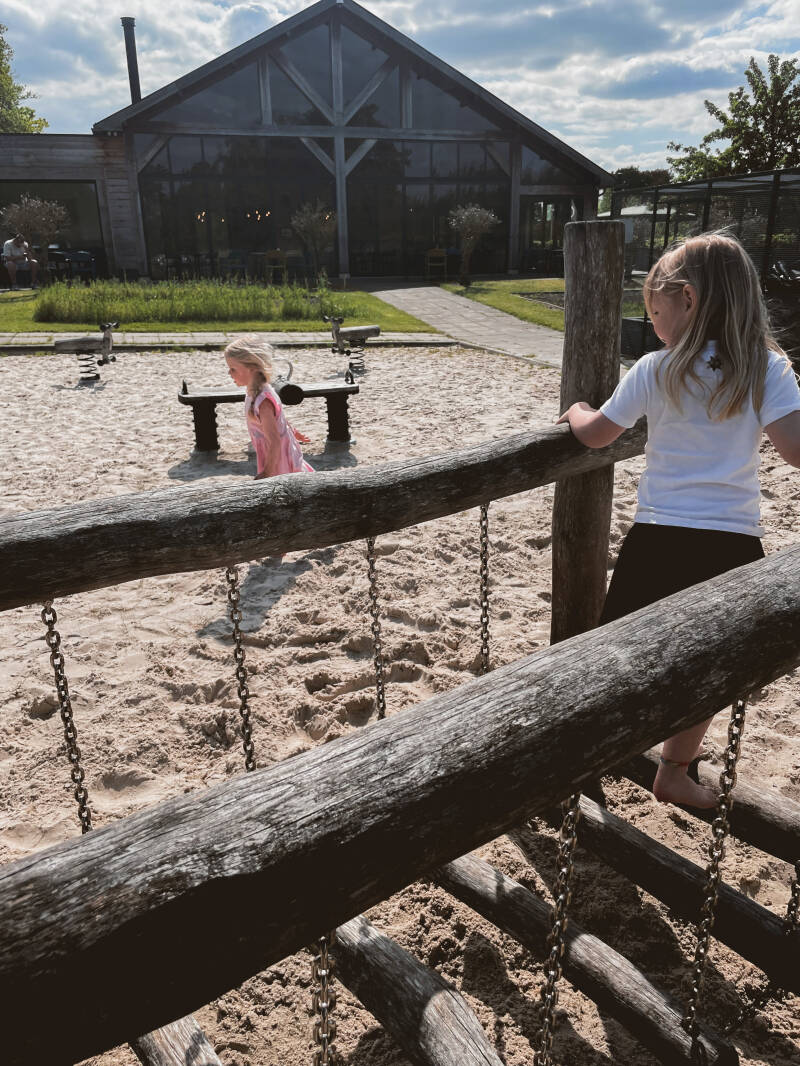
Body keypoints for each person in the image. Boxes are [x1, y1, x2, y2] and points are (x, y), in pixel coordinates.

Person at [557, 232, 800, 808]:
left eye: (656, 310)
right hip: (732, 546)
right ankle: (674, 770)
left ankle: (586, 765)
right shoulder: (766, 368)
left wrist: (577, 409)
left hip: (658, 540)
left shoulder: (655, 368)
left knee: (619, 662)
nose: (654, 324)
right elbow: (796, 451)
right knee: (710, 672)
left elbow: (598, 436)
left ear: (687, 299)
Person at [224, 335, 313, 479]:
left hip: (278, 459)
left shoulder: (263, 401)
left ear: (251, 368)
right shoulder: (255, 391)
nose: (229, 373)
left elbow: (275, 442)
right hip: (273, 454)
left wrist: (267, 473)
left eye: (233, 369)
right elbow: (279, 419)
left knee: (284, 485)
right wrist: (292, 431)